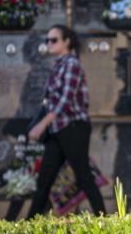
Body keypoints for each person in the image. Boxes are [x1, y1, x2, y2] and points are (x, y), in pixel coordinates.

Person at [27, 25, 104, 216]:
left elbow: (65, 100)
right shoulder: (59, 65)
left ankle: (106, 219)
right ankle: (27, 225)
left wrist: (42, 124)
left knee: (83, 175)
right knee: (45, 178)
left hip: (73, 128)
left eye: (54, 40)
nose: (49, 44)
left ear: (66, 42)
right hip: (58, 129)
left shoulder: (71, 64)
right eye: (47, 40)